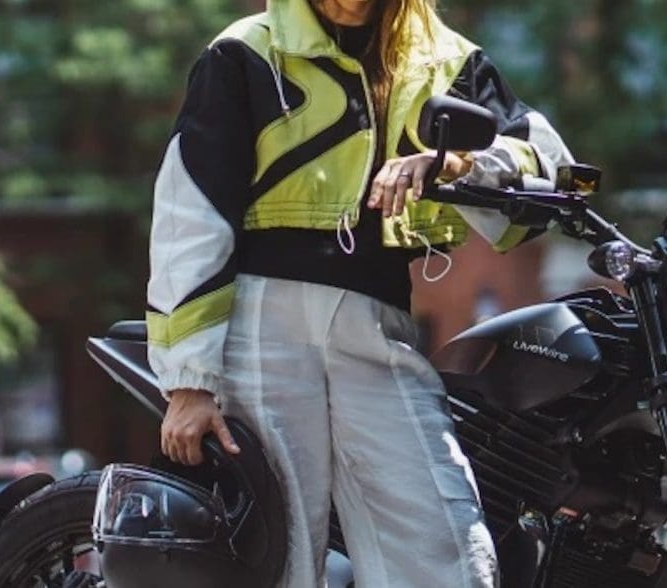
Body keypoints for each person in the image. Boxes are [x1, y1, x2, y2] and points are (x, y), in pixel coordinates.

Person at [146, 0, 573, 585]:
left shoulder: (445, 59)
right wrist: (189, 381)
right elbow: (190, 213)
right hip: (261, 323)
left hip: (380, 322)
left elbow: (549, 164)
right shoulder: (246, 51)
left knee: (447, 549)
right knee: (278, 557)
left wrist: (450, 164)